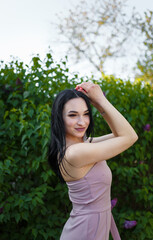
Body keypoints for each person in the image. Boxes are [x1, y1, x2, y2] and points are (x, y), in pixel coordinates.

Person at [48, 82, 138, 240]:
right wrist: (102, 101)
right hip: (87, 231)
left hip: (92, 226)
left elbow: (121, 135)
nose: (82, 122)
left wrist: (97, 103)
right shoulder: (76, 153)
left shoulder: (82, 146)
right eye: (73, 115)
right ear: (59, 117)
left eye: (86, 113)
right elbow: (130, 136)